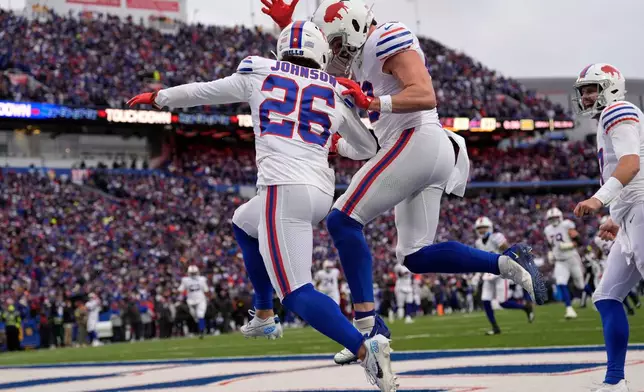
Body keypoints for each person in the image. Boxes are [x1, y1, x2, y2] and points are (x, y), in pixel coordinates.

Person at [261, 0, 547, 366]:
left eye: (336, 42)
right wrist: (288, 28)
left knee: (342, 219)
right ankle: (507, 263)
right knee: (414, 255)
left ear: (354, 26)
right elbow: (308, 68)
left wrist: (374, 101)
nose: (334, 52)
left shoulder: (385, 36)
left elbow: (424, 93)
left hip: (417, 137)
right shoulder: (353, 53)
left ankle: (367, 328)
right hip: (416, 149)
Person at [128, 20, 395, 391]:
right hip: (319, 192)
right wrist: (335, 145)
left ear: (282, 48)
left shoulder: (259, 69)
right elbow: (367, 147)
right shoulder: (333, 88)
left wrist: (160, 97)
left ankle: (367, 352)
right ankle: (264, 312)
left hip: (282, 187)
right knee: (241, 221)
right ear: (320, 54)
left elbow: (207, 91)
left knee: (298, 292)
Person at [573, 63, 643, 392]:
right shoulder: (610, 117)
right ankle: (615, 381)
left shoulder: (618, 110)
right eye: (583, 91)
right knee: (606, 296)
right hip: (632, 214)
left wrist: (599, 200)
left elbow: (631, 163)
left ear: (610, 86)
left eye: (591, 88)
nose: (586, 96)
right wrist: (617, 216)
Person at [474, 217, 534, 335]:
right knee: (485, 300)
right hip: (488, 273)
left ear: (489, 227)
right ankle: (495, 328)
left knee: (502, 302)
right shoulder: (478, 242)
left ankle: (525, 308)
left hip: (501, 272)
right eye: (479, 228)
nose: (481, 230)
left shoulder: (496, 237)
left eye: (484, 227)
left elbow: (507, 250)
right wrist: (477, 274)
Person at [544, 207, 589, 319]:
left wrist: (569, 245)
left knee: (580, 285)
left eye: (555, 217)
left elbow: (579, 241)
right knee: (561, 283)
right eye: (551, 218)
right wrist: (550, 253)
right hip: (560, 261)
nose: (553, 220)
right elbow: (550, 244)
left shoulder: (566, 225)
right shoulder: (547, 229)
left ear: (560, 217)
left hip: (572, 258)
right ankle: (569, 309)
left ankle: (596, 296)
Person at [178, 265, 209, 338]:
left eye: (194, 273)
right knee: (195, 317)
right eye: (192, 273)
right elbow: (180, 290)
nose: (193, 274)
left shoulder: (202, 279)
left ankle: (202, 331)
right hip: (190, 302)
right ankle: (200, 329)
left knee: (200, 315)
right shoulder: (185, 280)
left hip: (201, 300)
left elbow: (206, 290)